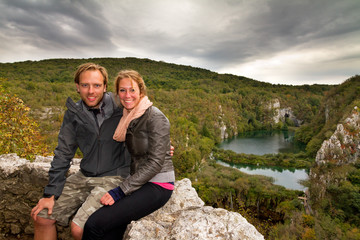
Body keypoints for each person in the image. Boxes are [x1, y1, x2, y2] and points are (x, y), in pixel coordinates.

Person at [30, 63, 131, 240]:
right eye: (85, 85)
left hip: (115, 177)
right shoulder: (74, 113)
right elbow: (63, 152)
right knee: (42, 217)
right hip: (85, 175)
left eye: (97, 85)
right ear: (77, 87)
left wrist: (160, 144)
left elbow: (148, 119)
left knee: (80, 229)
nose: (91, 91)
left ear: (105, 87)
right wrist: (50, 194)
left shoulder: (121, 106)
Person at [82, 70, 175, 240]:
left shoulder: (155, 117)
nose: (127, 95)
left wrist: (120, 191)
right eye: (122, 90)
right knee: (111, 231)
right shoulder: (128, 117)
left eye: (132, 90)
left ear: (141, 91)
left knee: (93, 225)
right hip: (139, 181)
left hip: (158, 184)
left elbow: (155, 163)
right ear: (117, 93)